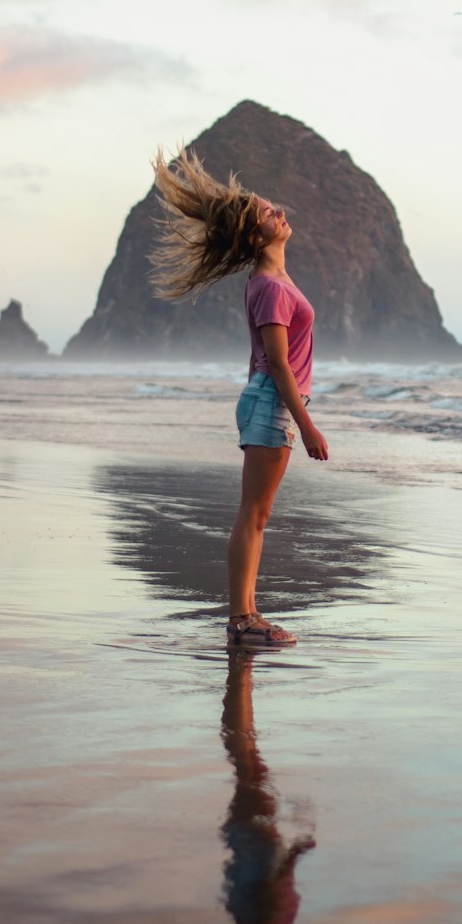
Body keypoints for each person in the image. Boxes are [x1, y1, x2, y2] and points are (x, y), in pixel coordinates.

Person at [151, 147, 328, 649]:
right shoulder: (271, 287)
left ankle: (246, 614)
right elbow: (276, 363)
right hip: (272, 400)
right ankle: (241, 619)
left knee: (257, 514)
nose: (280, 211)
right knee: (253, 514)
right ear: (256, 236)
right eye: (269, 213)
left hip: (268, 400)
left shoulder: (274, 282)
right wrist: (308, 426)